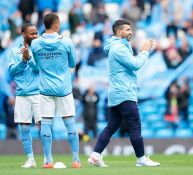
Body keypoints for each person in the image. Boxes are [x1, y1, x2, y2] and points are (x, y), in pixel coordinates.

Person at [87, 19, 160, 167]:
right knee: (135, 125)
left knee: (112, 126)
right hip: (125, 92)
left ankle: (95, 156)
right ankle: (141, 159)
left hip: (116, 93)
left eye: (130, 29)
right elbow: (135, 65)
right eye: (127, 30)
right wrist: (144, 51)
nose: (130, 32)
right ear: (119, 32)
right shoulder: (118, 48)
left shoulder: (119, 46)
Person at [31, 13, 80, 168]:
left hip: (45, 89)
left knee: (45, 124)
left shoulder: (36, 44)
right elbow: (72, 64)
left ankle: (48, 160)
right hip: (64, 89)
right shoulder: (66, 42)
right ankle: (76, 160)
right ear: (57, 24)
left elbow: (36, 65)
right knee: (70, 123)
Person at [8, 23, 40, 168]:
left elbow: (40, 68)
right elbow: (12, 71)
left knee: (44, 125)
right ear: (23, 34)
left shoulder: (40, 49)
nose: (35, 36)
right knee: (24, 127)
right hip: (21, 94)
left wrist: (30, 58)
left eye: (36, 33)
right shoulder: (14, 51)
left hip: (39, 92)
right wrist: (23, 61)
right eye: (32, 33)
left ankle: (47, 159)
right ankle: (30, 159)